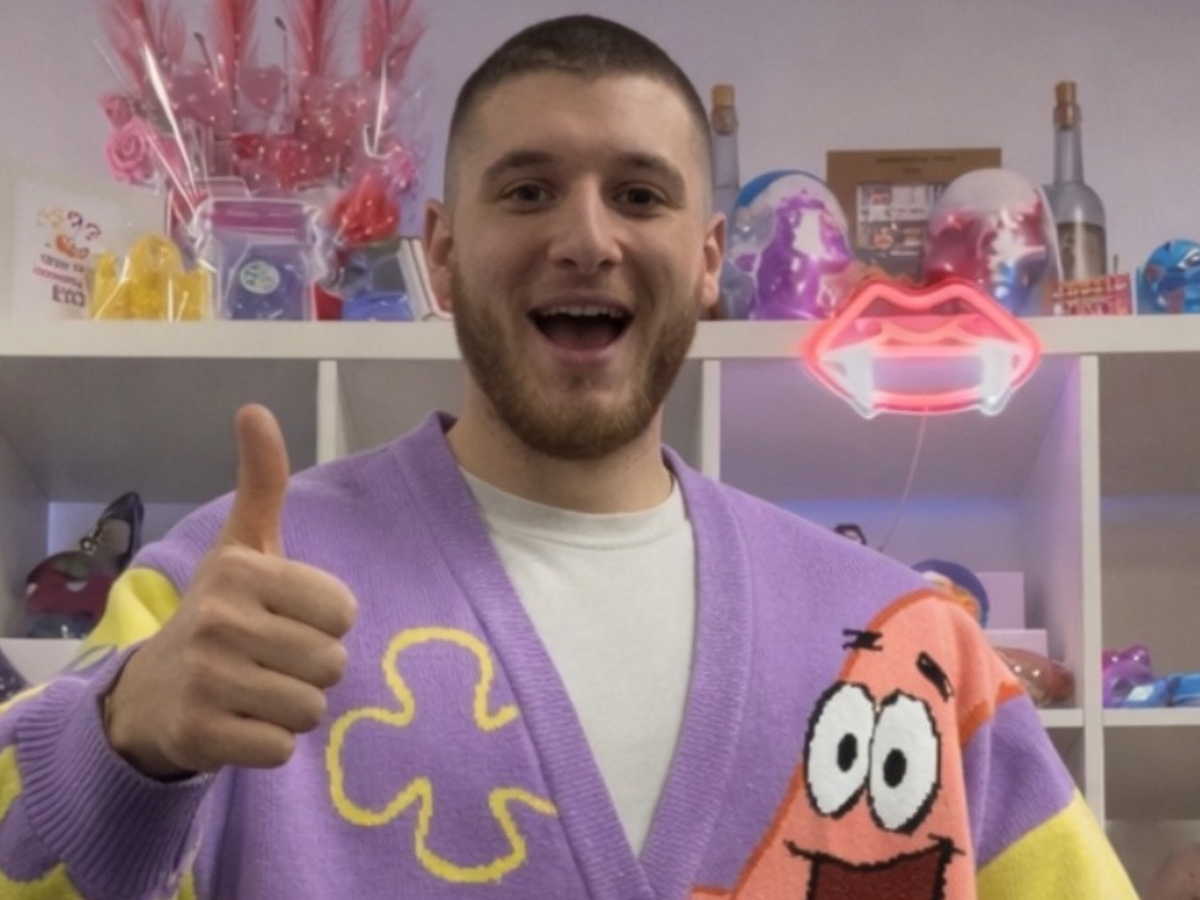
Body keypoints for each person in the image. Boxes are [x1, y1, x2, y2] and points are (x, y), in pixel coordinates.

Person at [0, 13, 1136, 900]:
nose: (587, 239)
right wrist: (124, 742)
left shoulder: (910, 647)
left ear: (707, 260)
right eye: (528, 190)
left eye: (637, 195)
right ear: (443, 253)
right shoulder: (230, 593)